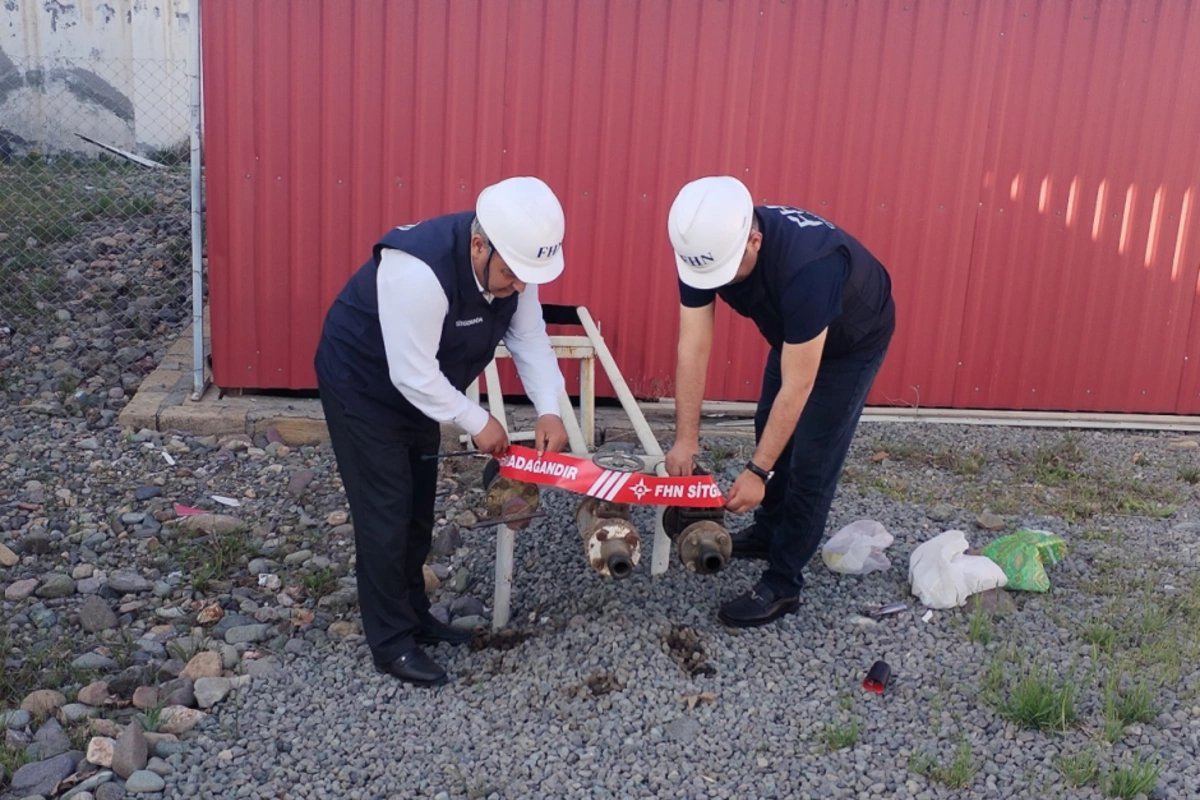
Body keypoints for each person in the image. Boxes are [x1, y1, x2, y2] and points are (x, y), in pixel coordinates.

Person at [314, 176, 571, 686]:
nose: (520, 287)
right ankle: (390, 643)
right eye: (512, 274)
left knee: (417, 509)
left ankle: (414, 616)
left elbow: (529, 339)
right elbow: (411, 374)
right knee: (385, 512)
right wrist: (478, 421)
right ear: (478, 245)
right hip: (362, 383)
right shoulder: (417, 271)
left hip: (424, 388)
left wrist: (549, 409)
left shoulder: (515, 263)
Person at [664, 175, 896, 628]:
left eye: (724, 274)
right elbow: (693, 346)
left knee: (813, 457)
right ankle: (770, 531)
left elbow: (799, 385)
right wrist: (685, 438)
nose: (715, 283)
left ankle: (783, 581)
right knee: (768, 423)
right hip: (794, 330)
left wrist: (757, 472)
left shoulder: (810, 267)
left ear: (754, 240)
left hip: (851, 340)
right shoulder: (703, 247)